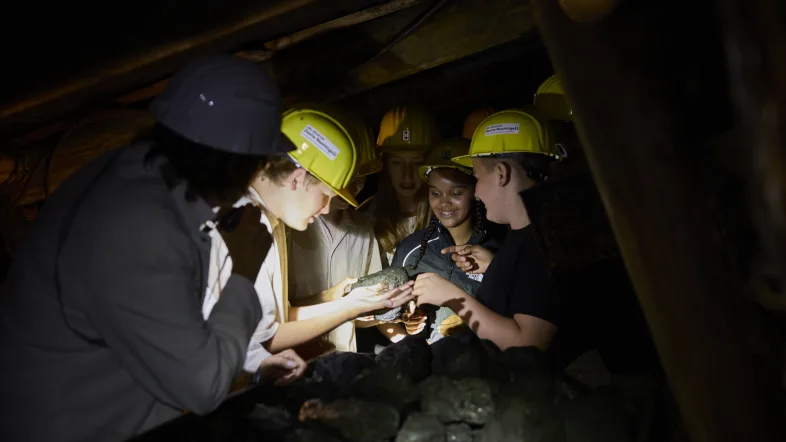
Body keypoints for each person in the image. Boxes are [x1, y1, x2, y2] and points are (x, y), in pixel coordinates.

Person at [0, 55, 300, 442]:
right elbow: (202, 388)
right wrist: (245, 270)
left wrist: (256, 362)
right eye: (256, 161)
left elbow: (175, 329)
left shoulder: (146, 183)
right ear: (234, 164)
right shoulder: (138, 228)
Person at [203, 105, 415, 370]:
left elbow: (277, 318)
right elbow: (265, 338)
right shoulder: (245, 223)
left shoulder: (269, 221)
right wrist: (349, 308)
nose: (326, 207)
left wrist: (346, 301)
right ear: (297, 178)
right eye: (325, 194)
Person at [412, 109, 566, 352]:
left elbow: (528, 346)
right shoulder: (526, 235)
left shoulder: (543, 243)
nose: (477, 192)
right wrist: (497, 267)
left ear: (502, 174)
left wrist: (453, 298)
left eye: (477, 177)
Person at [383, 137, 503, 343]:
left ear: (476, 192)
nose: (444, 203)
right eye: (435, 193)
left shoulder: (498, 250)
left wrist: (469, 322)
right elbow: (395, 313)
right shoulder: (411, 249)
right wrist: (408, 320)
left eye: (456, 192)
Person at [287, 103, 386, 353]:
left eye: (362, 177)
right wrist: (335, 300)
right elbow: (272, 320)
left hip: (345, 362)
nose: (355, 186)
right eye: (349, 176)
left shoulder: (363, 229)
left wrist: (383, 311)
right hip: (292, 366)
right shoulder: (288, 224)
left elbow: (362, 317)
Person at [367, 105, 440, 264]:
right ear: (385, 165)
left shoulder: (444, 215)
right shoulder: (365, 219)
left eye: (416, 163)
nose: (407, 174)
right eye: (397, 163)